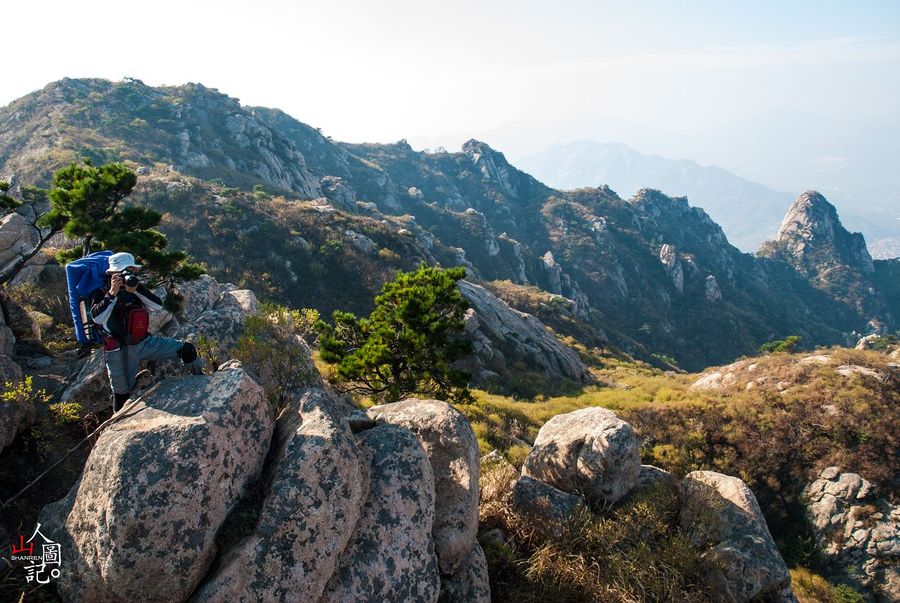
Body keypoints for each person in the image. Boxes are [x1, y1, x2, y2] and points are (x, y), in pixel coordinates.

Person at [89, 252, 203, 412]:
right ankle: (117, 429)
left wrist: (135, 290)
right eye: (125, 271)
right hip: (118, 351)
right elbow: (98, 319)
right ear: (113, 273)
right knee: (122, 396)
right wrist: (112, 293)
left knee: (187, 350)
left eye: (132, 271)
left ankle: (203, 383)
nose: (130, 274)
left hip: (142, 342)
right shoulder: (100, 292)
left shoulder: (135, 289)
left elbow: (157, 306)